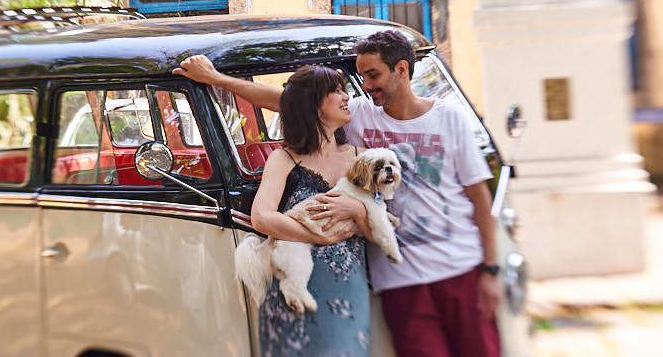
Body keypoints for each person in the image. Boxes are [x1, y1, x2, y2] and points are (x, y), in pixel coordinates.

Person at [174, 29, 501, 357]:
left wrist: (491, 269)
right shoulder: (359, 114)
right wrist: (215, 78)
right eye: (361, 77)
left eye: (373, 75)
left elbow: (479, 197)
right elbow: (288, 102)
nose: (365, 87)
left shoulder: (448, 117)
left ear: (402, 70)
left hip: (460, 267)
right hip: (400, 278)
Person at [241, 64, 378, 356]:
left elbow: (375, 228)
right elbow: (262, 217)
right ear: (315, 107)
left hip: (347, 286)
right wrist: (319, 237)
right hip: (294, 286)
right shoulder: (284, 158)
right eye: (336, 91)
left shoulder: (361, 158)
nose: (346, 97)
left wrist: (355, 208)